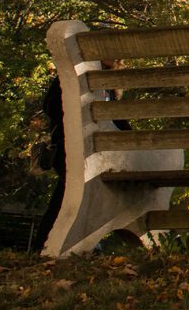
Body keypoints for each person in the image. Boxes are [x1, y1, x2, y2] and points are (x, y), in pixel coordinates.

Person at [30, 58, 126, 253]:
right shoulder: (76, 72)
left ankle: (57, 245)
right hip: (71, 148)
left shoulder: (109, 87)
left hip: (96, 153)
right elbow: (52, 105)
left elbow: (118, 120)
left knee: (72, 197)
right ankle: (46, 245)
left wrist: (131, 140)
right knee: (68, 197)